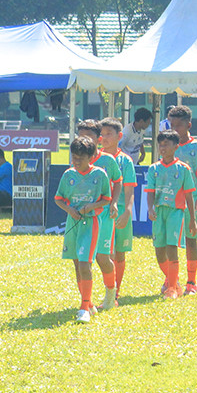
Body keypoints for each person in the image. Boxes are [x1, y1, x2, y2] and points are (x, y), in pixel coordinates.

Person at [52, 136, 110, 323]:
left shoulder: (99, 174)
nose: (76, 161)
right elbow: (59, 198)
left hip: (90, 223)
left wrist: (91, 207)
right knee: (77, 264)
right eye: (74, 157)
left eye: (80, 158)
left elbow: (106, 199)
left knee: (85, 263)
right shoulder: (68, 175)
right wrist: (70, 210)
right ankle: (89, 301)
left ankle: (84, 307)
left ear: (91, 156)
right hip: (73, 223)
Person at [76, 119, 122, 311]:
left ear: (98, 139)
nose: (84, 140)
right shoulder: (76, 160)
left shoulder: (107, 160)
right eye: (81, 136)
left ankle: (111, 292)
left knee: (103, 259)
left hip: (102, 217)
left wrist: (114, 202)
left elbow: (117, 181)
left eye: (89, 136)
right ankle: (86, 301)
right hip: (82, 218)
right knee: (79, 260)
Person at [145, 131, 197, 299]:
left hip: (175, 212)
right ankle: (172, 280)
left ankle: (172, 289)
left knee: (171, 248)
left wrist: (193, 220)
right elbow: (150, 192)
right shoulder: (154, 168)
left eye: (166, 144)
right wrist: (150, 208)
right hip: (159, 212)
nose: (162, 148)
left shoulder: (183, 169)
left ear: (176, 147)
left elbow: (189, 196)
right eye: (160, 145)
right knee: (159, 252)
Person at [168, 105, 197, 295]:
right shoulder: (168, 145)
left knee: (191, 239)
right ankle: (171, 279)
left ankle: (191, 281)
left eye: (178, 125)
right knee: (170, 242)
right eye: (171, 125)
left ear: (188, 125)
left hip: (191, 200)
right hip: (170, 202)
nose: (174, 129)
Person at [99, 118, 138, 299]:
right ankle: (106, 288)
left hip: (120, 210)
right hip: (99, 212)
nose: (104, 138)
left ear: (119, 136)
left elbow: (129, 190)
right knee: (103, 252)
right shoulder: (95, 158)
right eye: (102, 134)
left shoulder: (126, 161)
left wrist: (127, 211)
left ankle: (116, 292)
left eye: (109, 134)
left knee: (119, 253)